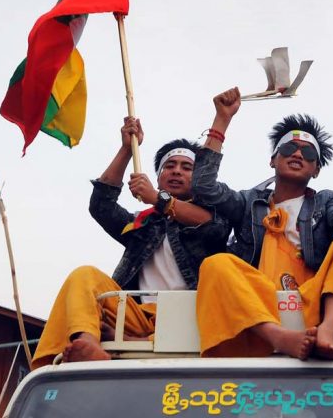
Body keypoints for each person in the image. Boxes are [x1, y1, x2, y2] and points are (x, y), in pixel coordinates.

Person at [192, 87, 333, 360]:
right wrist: (222, 121)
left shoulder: (326, 200)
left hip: (312, 296)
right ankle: (277, 336)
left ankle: (327, 330)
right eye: (289, 148)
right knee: (215, 264)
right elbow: (203, 187)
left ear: (316, 170)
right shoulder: (249, 202)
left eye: (309, 154)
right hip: (260, 295)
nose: (298, 155)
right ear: (272, 160)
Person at [32, 117, 229, 368]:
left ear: (198, 179)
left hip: (193, 317)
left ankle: (131, 339)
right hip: (138, 314)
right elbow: (101, 206)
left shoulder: (214, 214)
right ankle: (88, 343)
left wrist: (159, 199)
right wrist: (126, 149)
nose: (177, 170)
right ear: (158, 178)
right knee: (84, 276)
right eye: (169, 166)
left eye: (186, 167)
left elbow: (213, 227)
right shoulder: (142, 224)